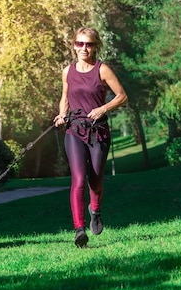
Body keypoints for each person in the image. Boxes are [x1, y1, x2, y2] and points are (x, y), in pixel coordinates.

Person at [53, 27, 128, 247]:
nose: (84, 48)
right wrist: (61, 114)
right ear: (74, 45)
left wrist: (103, 109)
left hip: (98, 132)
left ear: (96, 46)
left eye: (89, 44)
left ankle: (95, 210)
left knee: (95, 180)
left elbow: (122, 96)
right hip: (74, 131)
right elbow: (65, 97)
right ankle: (79, 229)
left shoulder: (102, 70)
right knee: (78, 179)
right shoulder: (67, 71)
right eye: (80, 43)